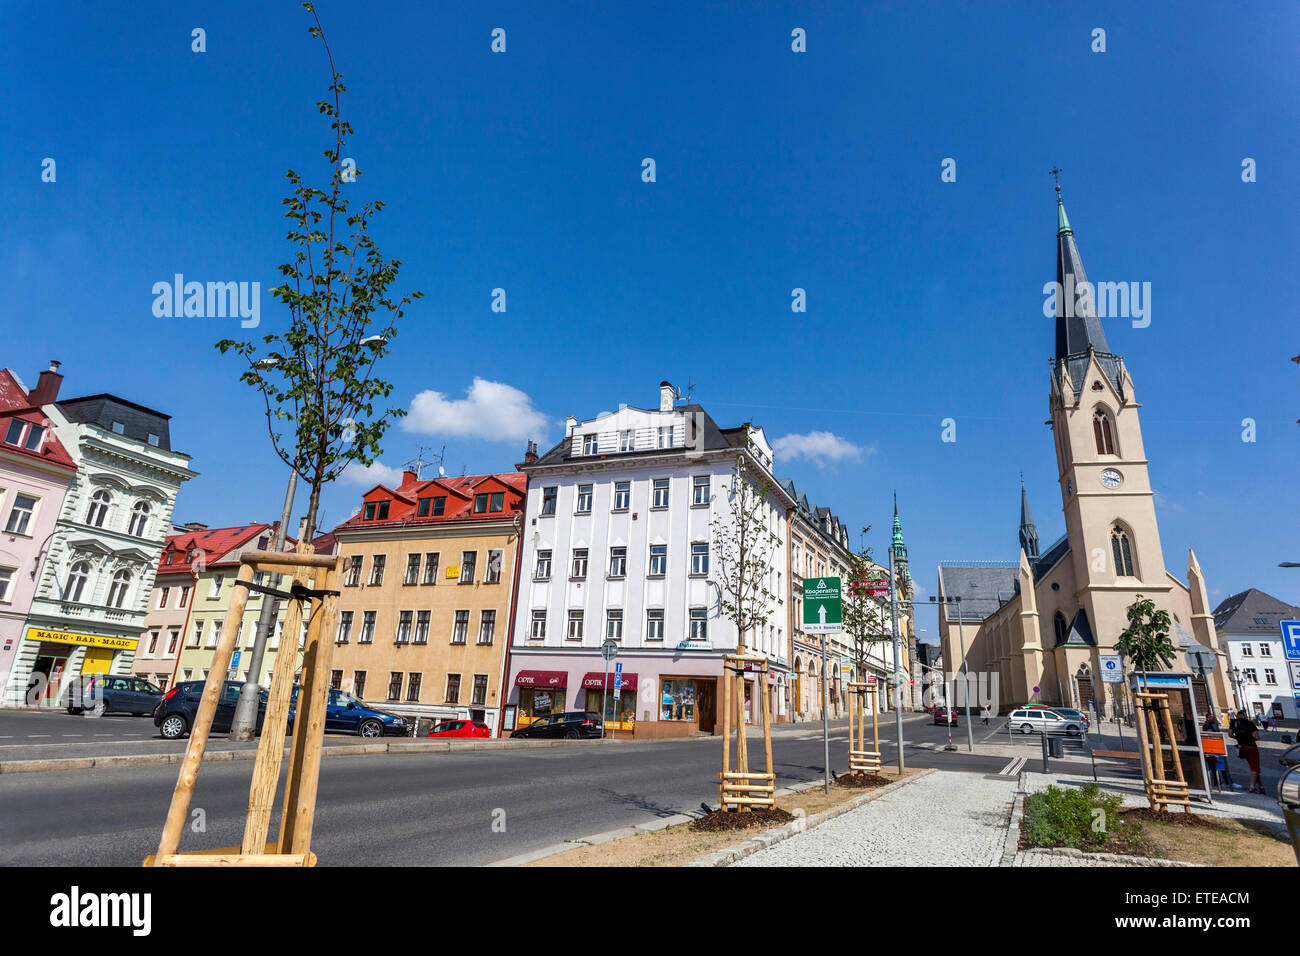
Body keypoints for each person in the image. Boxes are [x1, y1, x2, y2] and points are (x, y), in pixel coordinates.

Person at [1231, 709, 1264, 794]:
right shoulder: (1249, 723)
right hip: (1251, 747)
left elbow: (1230, 734)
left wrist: (1238, 738)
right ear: (1244, 715)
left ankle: (1261, 786)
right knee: (1254, 768)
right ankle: (1252, 787)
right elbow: (1257, 736)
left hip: (1242, 747)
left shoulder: (1233, 723)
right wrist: (1250, 739)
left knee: (1254, 767)